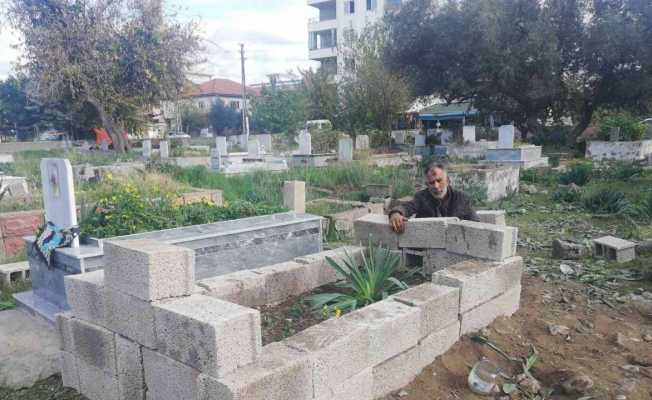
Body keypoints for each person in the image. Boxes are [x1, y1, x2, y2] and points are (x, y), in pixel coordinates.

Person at [389, 162, 479, 233]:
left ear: (447, 180)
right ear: (427, 184)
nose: (436, 186)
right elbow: (407, 207)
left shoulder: (462, 198)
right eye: (431, 183)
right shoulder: (421, 197)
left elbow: (475, 224)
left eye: (439, 180)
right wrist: (396, 213)